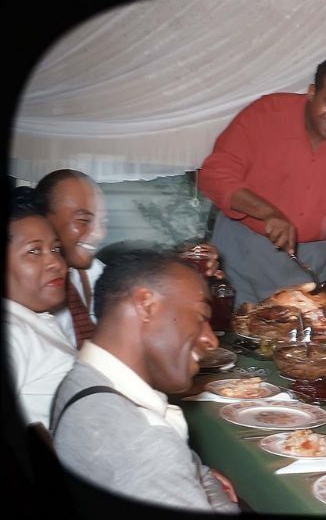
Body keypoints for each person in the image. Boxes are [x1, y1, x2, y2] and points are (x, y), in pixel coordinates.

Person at [50, 249, 239, 513]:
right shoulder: (145, 445)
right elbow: (163, 458)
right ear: (147, 305)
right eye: (200, 317)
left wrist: (196, 475)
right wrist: (206, 487)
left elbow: (191, 465)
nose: (211, 340)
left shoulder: (80, 379)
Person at [198, 54, 326, 305]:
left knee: (301, 340)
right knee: (234, 338)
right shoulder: (265, 114)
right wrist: (267, 212)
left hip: (310, 263)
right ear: (311, 92)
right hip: (240, 253)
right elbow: (215, 175)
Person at [35, 169, 221, 348]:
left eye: (103, 222)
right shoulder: (27, 290)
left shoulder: (92, 272)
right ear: (42, 218)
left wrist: (185, 273)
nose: (99, 233)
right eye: (83, 221)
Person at [4, 187, 76, 427]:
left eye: (55, 249)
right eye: (34, 251)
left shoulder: (33, 320)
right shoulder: (12, 333)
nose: (56, 263)